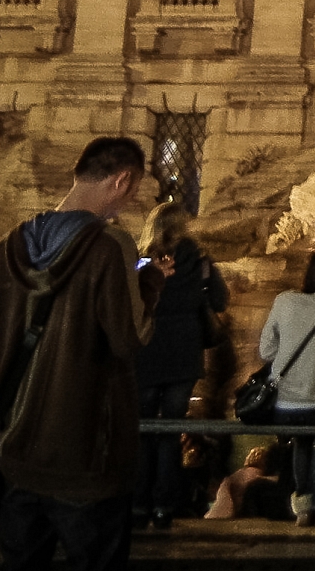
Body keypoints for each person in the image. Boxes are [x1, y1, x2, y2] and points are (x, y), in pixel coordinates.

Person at [0, 137, 160, 571]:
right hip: (86, 456)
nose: (125, 205)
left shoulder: (6, 248)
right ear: (121, 179)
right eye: (130, 194)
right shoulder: (111, 247)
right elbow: (130, 338)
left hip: (17, 455)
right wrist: (150, 285)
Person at [132, 201, 228, 530]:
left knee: (143, 429)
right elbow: (219, 300)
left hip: (146, 350)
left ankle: (138, 504)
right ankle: (163, 507)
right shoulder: (200, 262)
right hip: (184, 354)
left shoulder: (140, 262)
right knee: (172, 429)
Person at [257, 248, 315, 527]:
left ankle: (303, 507)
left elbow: (266, 351)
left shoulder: (284, 301)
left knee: (300, 446)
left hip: (286, 404)